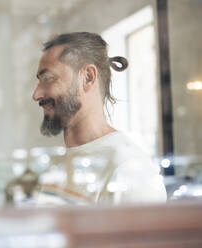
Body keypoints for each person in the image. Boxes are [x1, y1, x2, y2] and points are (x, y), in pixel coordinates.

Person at [32, 32, 167, 205]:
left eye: (48, 79)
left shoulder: (129, 169)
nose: (36, 94)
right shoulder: (60, 163)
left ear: (87, 77)